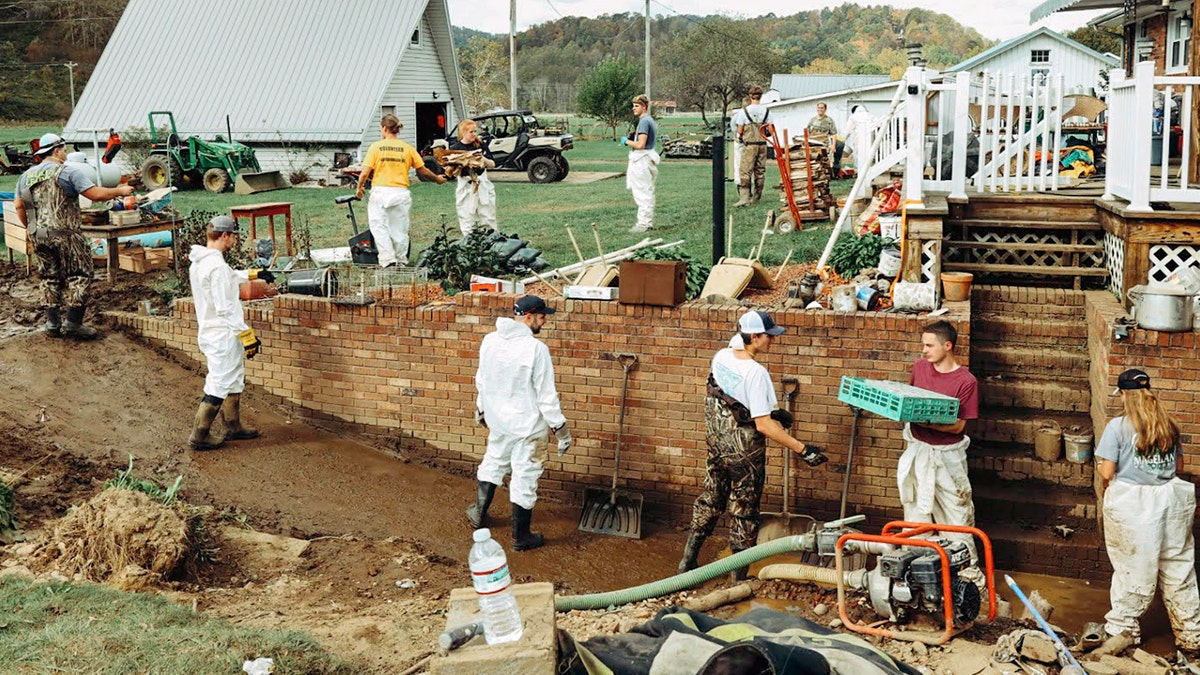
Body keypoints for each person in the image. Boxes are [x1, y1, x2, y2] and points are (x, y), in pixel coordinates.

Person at [679, 311, 828, 580]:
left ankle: (687, 563)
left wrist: (774, 412)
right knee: (744, 512)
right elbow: (763, 426)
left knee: (711, 499)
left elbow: (734, 398)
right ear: (755, 337)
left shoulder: (721, 356)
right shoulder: (756, 372)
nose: (773, 340)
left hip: (717, 446)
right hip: (744, 454)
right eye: (769, 336)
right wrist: (802, 449)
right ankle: (738, 578)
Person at [1091, 368, 1200, 657]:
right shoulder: (1169, 424)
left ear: (1125, 394)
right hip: (1172, 502)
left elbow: (1108, 470)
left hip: (1135, 505)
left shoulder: (1118, 427)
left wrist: (1103, 469)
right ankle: (1191, 636)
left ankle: (1123, 631)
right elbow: (1178, 467)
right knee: (1177, 568)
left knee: (1133, 567)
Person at [468, 295, 572, 551]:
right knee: (525, 475)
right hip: (528, 428)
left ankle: (479, 514)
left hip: (499, 421)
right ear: (528, 316)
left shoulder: (489, 340)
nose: (544, 320)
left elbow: (482, 379)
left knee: (494, 461)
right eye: (541, 315)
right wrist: (562, 431)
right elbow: (546, 396)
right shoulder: (536, 349)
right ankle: (520, 537)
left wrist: (481, 409)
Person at [14, 132, 135, 339]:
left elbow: (19, 206)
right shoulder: (67, 172)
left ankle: (52, 324)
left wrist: (31, 229)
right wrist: (120, 190)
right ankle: (73, 323)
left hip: (39, 234)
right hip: (67, 234)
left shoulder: (26, 176)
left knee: (49, 276)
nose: (65, 153)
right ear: (56, 150)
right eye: (64, 150)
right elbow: (95, 194)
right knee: (80, 274)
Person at [898, 321, 981, 577]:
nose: (924, 350)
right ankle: (918, 578)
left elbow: (958, 427)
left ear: (948, 346)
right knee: (915, 518)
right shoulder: (920, 368)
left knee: (957, 519)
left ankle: (968, 579)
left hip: (947, 459)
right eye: (923, 344)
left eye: (929, 345)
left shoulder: (966, 381)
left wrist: (925, 422)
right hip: (918, 452)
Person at [186, 216, 269, 451]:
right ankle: (199, 435)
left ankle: (233, 425)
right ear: (224, 236)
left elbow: (228, 278)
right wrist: (247, 334)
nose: (234, 240)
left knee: (233, 377)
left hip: (215, 331)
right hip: (222, 333)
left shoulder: (202, 261)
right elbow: (225, 307)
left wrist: (253, 274)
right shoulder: (217, 266)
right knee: (219, 382)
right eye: (233, 236)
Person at [355, 113, 448, 267]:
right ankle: (401, 260)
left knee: (379, 226)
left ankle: (387, 259)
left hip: (381, 192)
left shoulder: (376, 147)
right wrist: (437, 179)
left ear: (384, 128)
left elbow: (364, 173)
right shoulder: (407, 148)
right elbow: (422, 170)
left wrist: (360, 188)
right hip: (400, 192)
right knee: (399, 229)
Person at [447, 119, 497, 236]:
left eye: (475, 131)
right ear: (463, 132)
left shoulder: (479, 145)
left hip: (482, 182)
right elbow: (451, 173)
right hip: (466, 184)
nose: (474, 134)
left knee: (487, 214)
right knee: (466, 216)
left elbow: (493, 164)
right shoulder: (455, 148)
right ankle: (469, 242)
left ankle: (492, 240)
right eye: (471, 132)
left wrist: (482, 159)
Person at [622, 94, 660, 233]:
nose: (634, 108)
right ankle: (645, 221)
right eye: (633, 105)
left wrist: (626, 141)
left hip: (641, 160)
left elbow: (640, 145)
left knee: (642, 192)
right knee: (646, 190)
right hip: (645, 158)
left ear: (644, 107)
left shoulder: (644, 121)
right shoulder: (648, 120)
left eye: (636, 106)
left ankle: (644, 223)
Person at [736, 86, 770, 207]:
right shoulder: (766, 111)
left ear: (750, 96)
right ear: (761, 96)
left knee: (745, 170)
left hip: (749, 145)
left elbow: (739, 130)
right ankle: (756, 197)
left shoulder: (744, 111)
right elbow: (770, 130)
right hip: (762, 145)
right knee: (760, 171)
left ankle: (744, 198)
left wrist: (739, 137)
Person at [806, 102, 845, 178]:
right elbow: (807, 133)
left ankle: (832, 173)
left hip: (824, 143)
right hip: (814, 143)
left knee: (828, 159)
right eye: (819, 108)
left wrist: (833, 146)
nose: (820, 109)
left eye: (822, 108)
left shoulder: (829, 120)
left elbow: (833, 134)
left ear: (825, 109)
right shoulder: (812, 120)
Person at [844, 105, 877, 176]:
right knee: (869, 154)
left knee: (858, 154)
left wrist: (843, 140)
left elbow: (848, 130)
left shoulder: (853, 116)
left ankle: (858, 172)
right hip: (870, 137)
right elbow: (877, 125)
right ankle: (869, 171)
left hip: (858, 138)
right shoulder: (871, 115)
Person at [729, 97, 751, 189]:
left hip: (739, 142)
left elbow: (734, 129)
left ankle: (740, 186)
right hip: (748, 142)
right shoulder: (751, 115)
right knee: (750, 165)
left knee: (738, 164)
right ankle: (748, 187)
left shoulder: (736, 116)